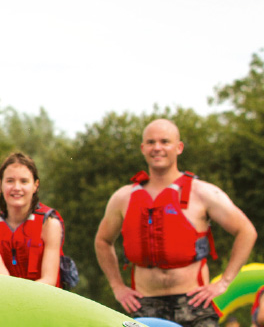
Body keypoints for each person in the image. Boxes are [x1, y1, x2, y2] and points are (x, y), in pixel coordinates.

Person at [95, 119, 257, 327]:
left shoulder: (203, 192)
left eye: (165, 142)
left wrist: (224, 282)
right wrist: (117, 287)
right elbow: (103, 240)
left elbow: (246, 231)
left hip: (194, 305)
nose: (157, 148)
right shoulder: (123, 198)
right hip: (145, 305)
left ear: (179, 147)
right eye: (151, 142)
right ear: (143, 148)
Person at [0, 152, 65, 286]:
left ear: (35, 185)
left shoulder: (50, 226)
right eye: (10, 181)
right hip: (1, 297)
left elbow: (49, 280)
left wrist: (17, 296)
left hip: (41, 297)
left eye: (24, 181)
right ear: (0, 185)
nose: (17, 188)